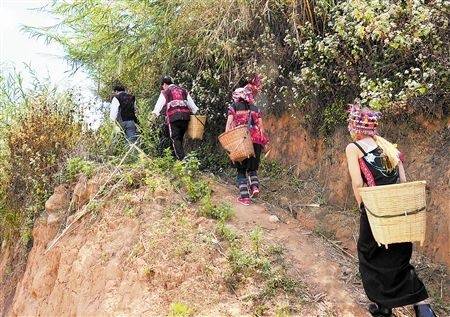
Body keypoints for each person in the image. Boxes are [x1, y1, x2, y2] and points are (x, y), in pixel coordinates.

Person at [345, 102, 436, 317]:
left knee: (370, 254)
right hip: (400, 207)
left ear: (356, 127)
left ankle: (384, 308)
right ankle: (423, 305)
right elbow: (402, 179)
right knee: (398, 256)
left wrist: (363, 208)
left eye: (350, 124)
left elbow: (358, 184)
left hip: (377, 208)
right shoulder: (388, 145)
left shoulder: (353, 148)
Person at [225, 75, 268, 206]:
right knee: (252, 167)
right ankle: (255, 187)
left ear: (237, 96)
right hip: (256, 141)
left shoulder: (234, 107)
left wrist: (228, 143)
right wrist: (264, 143)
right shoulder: (255, 109)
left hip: (241, 141)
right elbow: (261, 128)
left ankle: (245, 198)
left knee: (241, 170)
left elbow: (229, 125)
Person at [152, 76, 198, 160]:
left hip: (174, 118)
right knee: (180, 138)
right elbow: (193, 107)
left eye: (163, 86)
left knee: (175, 139)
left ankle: (183, 160)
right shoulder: (183, 91)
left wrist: (154, 116)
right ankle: (183, 159)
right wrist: (195, 112)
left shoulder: (165, 92)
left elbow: (158, 106)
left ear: (165, 84)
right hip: (185, 118)